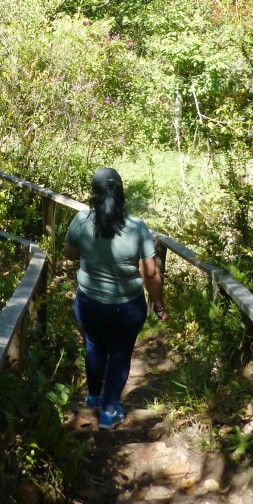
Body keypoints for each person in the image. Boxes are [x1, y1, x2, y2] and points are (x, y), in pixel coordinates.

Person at [64, 167, 167, 429]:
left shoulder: (81, 220)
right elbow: (150, 272)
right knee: (120, 353)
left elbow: (70, 254)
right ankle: (109, 411)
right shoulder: (137, 227)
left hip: (89, 302)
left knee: (95, 346)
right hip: (128, 306)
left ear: (94, 194)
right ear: (121, 194)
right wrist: (158, 304)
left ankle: (94, 397)